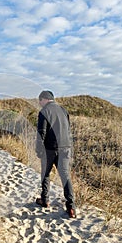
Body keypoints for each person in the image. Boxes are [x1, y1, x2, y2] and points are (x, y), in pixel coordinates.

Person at [35, 90, 76, 218]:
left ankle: (45, 200)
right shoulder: (63, 110)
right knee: (65, 176)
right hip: (65, 147)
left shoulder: (44, 111)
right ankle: (71, 207)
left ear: (44, 99)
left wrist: (39, 150)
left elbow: (41, 132)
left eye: (40, 101)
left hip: (50, 149)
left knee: (45, 174)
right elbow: (67, 128)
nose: (39, 103)